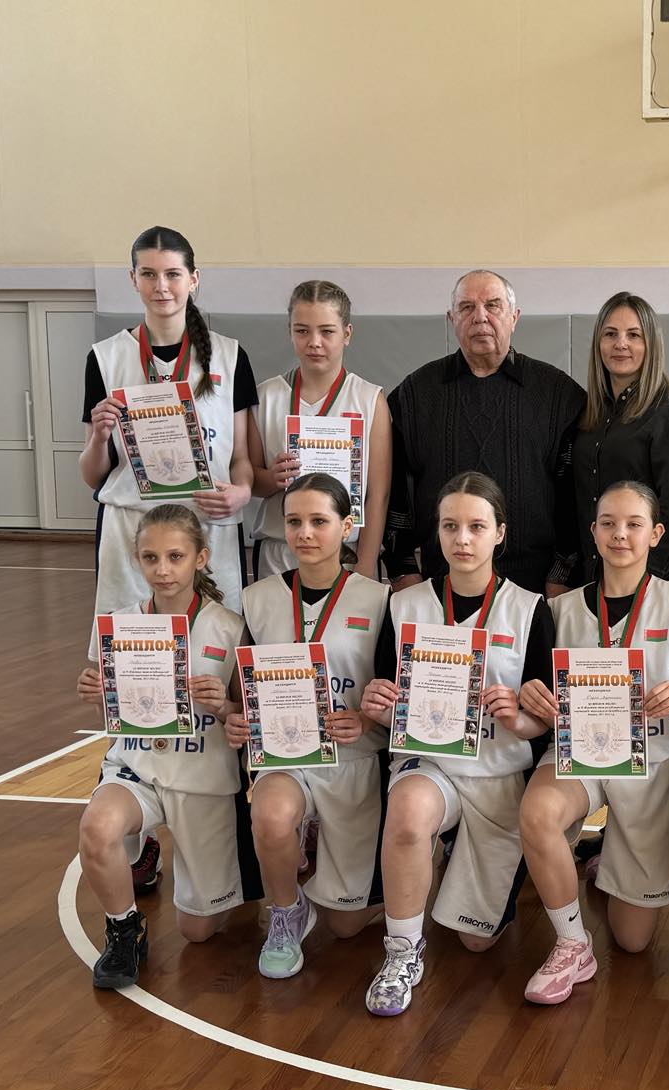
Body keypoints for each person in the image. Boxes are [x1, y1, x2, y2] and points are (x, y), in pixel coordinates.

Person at [359, 472, 556, 1016]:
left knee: (475, 941)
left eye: (476, 526)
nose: (462, 539)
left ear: (500, 533)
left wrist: (520, 719)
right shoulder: (404, 605)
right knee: (407, 813)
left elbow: (542, 722)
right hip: (431, 764)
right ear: (437, 531)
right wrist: (377, 705)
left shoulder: (530, 608)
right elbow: (386, 705)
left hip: (498, 773)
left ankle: (456, 856)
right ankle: (402, 952)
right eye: (450, 526)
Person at [515, 481, 669, 1004]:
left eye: (633, 524)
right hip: (579, 754)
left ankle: (608, 857)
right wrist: (532, 695)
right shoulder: (559, 609)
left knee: (632, 939)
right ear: (594, 531)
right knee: (537, 813)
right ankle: (572, 943)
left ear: (656, 534)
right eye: (608, 523)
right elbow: (538, 703)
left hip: (650, 762)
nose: (620, 534)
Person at [76, 505, 248, 989]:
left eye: (176, 556)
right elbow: (114, 714)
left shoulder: (231, 627)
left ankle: (188, 868)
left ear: (201, 558)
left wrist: (224, 705)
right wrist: (98, 694)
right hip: (138, 768)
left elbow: (247, 719)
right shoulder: (118, 624)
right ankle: (124, 930)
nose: (163, 569)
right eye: (150, 557)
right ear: (136, 559)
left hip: (203, 777)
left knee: (198, 931)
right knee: (96, 827)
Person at [226, 473, 391, 979]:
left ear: (347, 526)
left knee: (345, 926)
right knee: (270, 814)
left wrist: (364, 717)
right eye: (294, 521)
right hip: (286, 755)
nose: (305, 533)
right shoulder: (257, 598)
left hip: (355, 758)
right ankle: (286, 910)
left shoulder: (381, 599)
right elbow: (241, 693)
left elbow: (394, 692)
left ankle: (367, 880)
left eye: (319, 521)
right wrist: (237, 720)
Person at [80, 226, 257, 616]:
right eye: (148, 274)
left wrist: (242, 492)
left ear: (193, 279)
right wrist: (99, 439)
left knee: (215, 639)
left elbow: (241, 457)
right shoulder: (106, 357)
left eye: (172, 274)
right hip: (133, 526)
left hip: (208, 520)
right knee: (135, 645)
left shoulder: (230, 356)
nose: (161, 286)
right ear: (133, 279)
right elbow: (93, 476)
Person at [384, 271, 585, 593]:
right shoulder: (415, 394)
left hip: (535, 588)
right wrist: (402, 568)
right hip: (440, 586)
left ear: (514, 317)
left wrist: (563, 573)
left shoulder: (559, 395)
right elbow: (394, 493)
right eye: (466, 307)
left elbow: (574, 497)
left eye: (493, 305)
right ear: (451, 319)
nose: (480, 317)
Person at [248, 281, 391, 580]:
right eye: (302, 330)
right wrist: (272, 479)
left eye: (327, 331)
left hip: (347, 553)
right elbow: (251, 481)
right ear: (289, 331)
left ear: (347, 334)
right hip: (280, 552)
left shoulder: (370, 400)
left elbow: (377, 495)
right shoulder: (265, 397)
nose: (314, 342)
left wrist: (366, 563)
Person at [569, 293, 669, 585]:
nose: (621, 344)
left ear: (651, 344)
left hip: (649, 580)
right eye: (610, 334)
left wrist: (643, 584)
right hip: (593, 576)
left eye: (633, 335)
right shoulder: (591, 412)